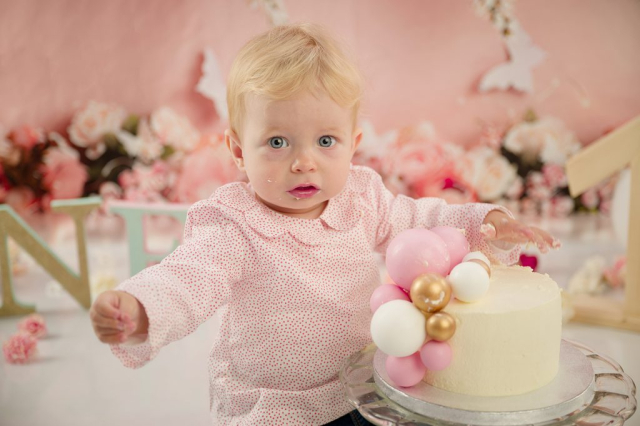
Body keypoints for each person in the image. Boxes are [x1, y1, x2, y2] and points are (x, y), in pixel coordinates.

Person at [89, 23, 558, 426]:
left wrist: (485, 223)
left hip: (357, 386)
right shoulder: (234, 226)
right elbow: (188, 277)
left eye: (326, 140)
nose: (304, 163)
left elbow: (422, 220)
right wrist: (140, 307)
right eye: (277, 141)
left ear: (352, 144)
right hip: (272, 404)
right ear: (237, 150)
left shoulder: (360, 197)